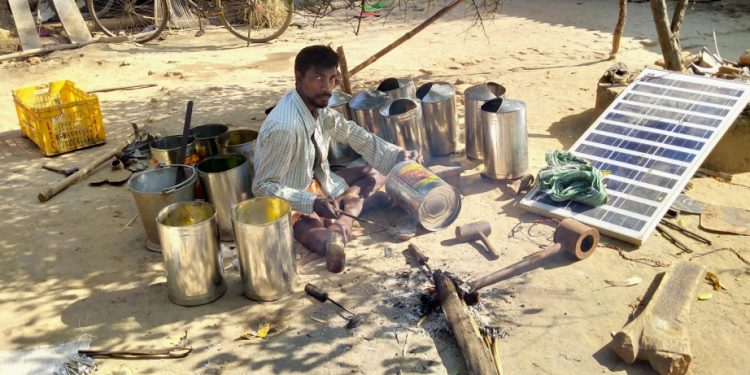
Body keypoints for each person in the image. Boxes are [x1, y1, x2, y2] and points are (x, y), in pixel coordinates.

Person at [253, 45, 421, 273]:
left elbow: (354, 134)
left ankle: (346, 217)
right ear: (299, 77)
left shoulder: (316, 106)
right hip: (291, 195)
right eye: (319, 78)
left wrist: (397, 155)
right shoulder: (285, 127)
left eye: (332, 79)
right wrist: (311, 203)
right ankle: (344, 220)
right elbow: (263, 187)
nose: (327, 87)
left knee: (374, 172)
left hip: (318, 182)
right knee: (312, 233)